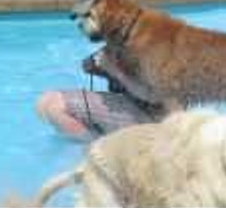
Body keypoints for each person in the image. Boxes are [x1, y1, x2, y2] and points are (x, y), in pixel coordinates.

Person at [35, 52, 166, 141]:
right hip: (129, 104)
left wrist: (113, 69)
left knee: (56, 107)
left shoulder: (149, 49)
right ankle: (85, 141)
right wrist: (95, 67)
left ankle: (92, 148)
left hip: (152, 118)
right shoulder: (121, 42)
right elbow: (91, 65)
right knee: (45, 101)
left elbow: (152, 97)